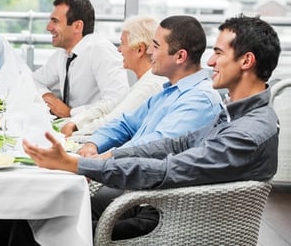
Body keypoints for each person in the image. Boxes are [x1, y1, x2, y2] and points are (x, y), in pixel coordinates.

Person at [24, 15, 281, 240]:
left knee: (41, 229)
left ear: (246, 61)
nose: (210, 61)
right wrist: (104, 157)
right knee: (40, 218)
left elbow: (166, 169)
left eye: (219, 53)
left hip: (169, 221)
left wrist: (79, 165)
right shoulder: (235, 112)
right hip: (161, 206)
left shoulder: (247, 132)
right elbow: (175, 145)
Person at [76, 15, 222, 157]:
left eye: (156, 46)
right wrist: (93, 144)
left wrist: (105, 158)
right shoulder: (168, 92)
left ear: (180, 56)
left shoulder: (200, 99)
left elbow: (155, 145)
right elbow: (125, 123)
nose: (150, 51)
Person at [61, 16, 166, 136]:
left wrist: (72, 135)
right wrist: (75, 123)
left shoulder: (150, 85)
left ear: (139, 49)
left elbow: (113, 121)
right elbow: (109, 106)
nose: (119, 50)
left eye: (122, 43)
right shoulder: (145, 81)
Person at [33, 0, 129, 118]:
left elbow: (118, 101)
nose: (48, 27)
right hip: (71, 128)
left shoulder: (100, 50)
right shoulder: (63, 54)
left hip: (94, 130)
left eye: (55, 21)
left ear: (77, 26)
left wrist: (70, 113)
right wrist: (47, 96)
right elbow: (33, 80)